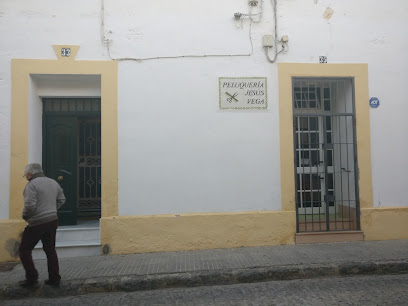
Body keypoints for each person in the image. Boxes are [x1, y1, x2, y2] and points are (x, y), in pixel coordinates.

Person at [18, 163, 66, 287]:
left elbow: (29, 205)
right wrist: (51, 210)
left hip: (37, 222)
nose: (26, 177)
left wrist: (25, 216)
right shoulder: (53, 182)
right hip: (52, 220)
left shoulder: (31, 185)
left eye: (26, 175)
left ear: (29, 174)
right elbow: (62, 199)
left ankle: (32, 277)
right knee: (50, 250)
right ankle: (54, 278)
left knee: (24, 250)